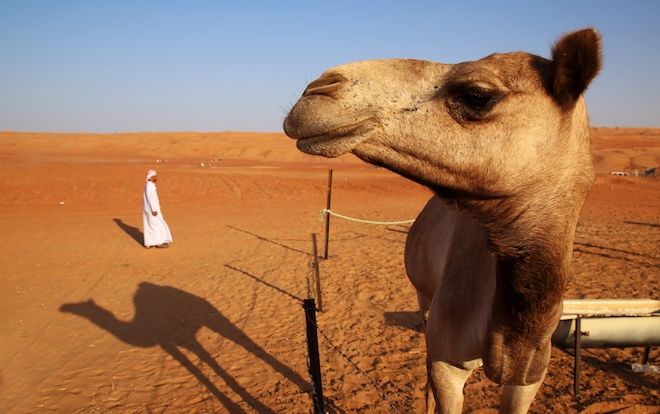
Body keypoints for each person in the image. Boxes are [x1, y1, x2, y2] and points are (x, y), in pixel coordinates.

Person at [143, 169, 173, 248]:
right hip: (153, 210)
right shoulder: (149, 185)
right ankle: (158, 243)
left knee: (151, 225)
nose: (156, 178)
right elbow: (150, 198)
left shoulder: (149, 185)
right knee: (157, 225)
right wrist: (153, 209)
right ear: (151, 177)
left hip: (151, 209)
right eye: (155, 176)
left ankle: (149, 243)